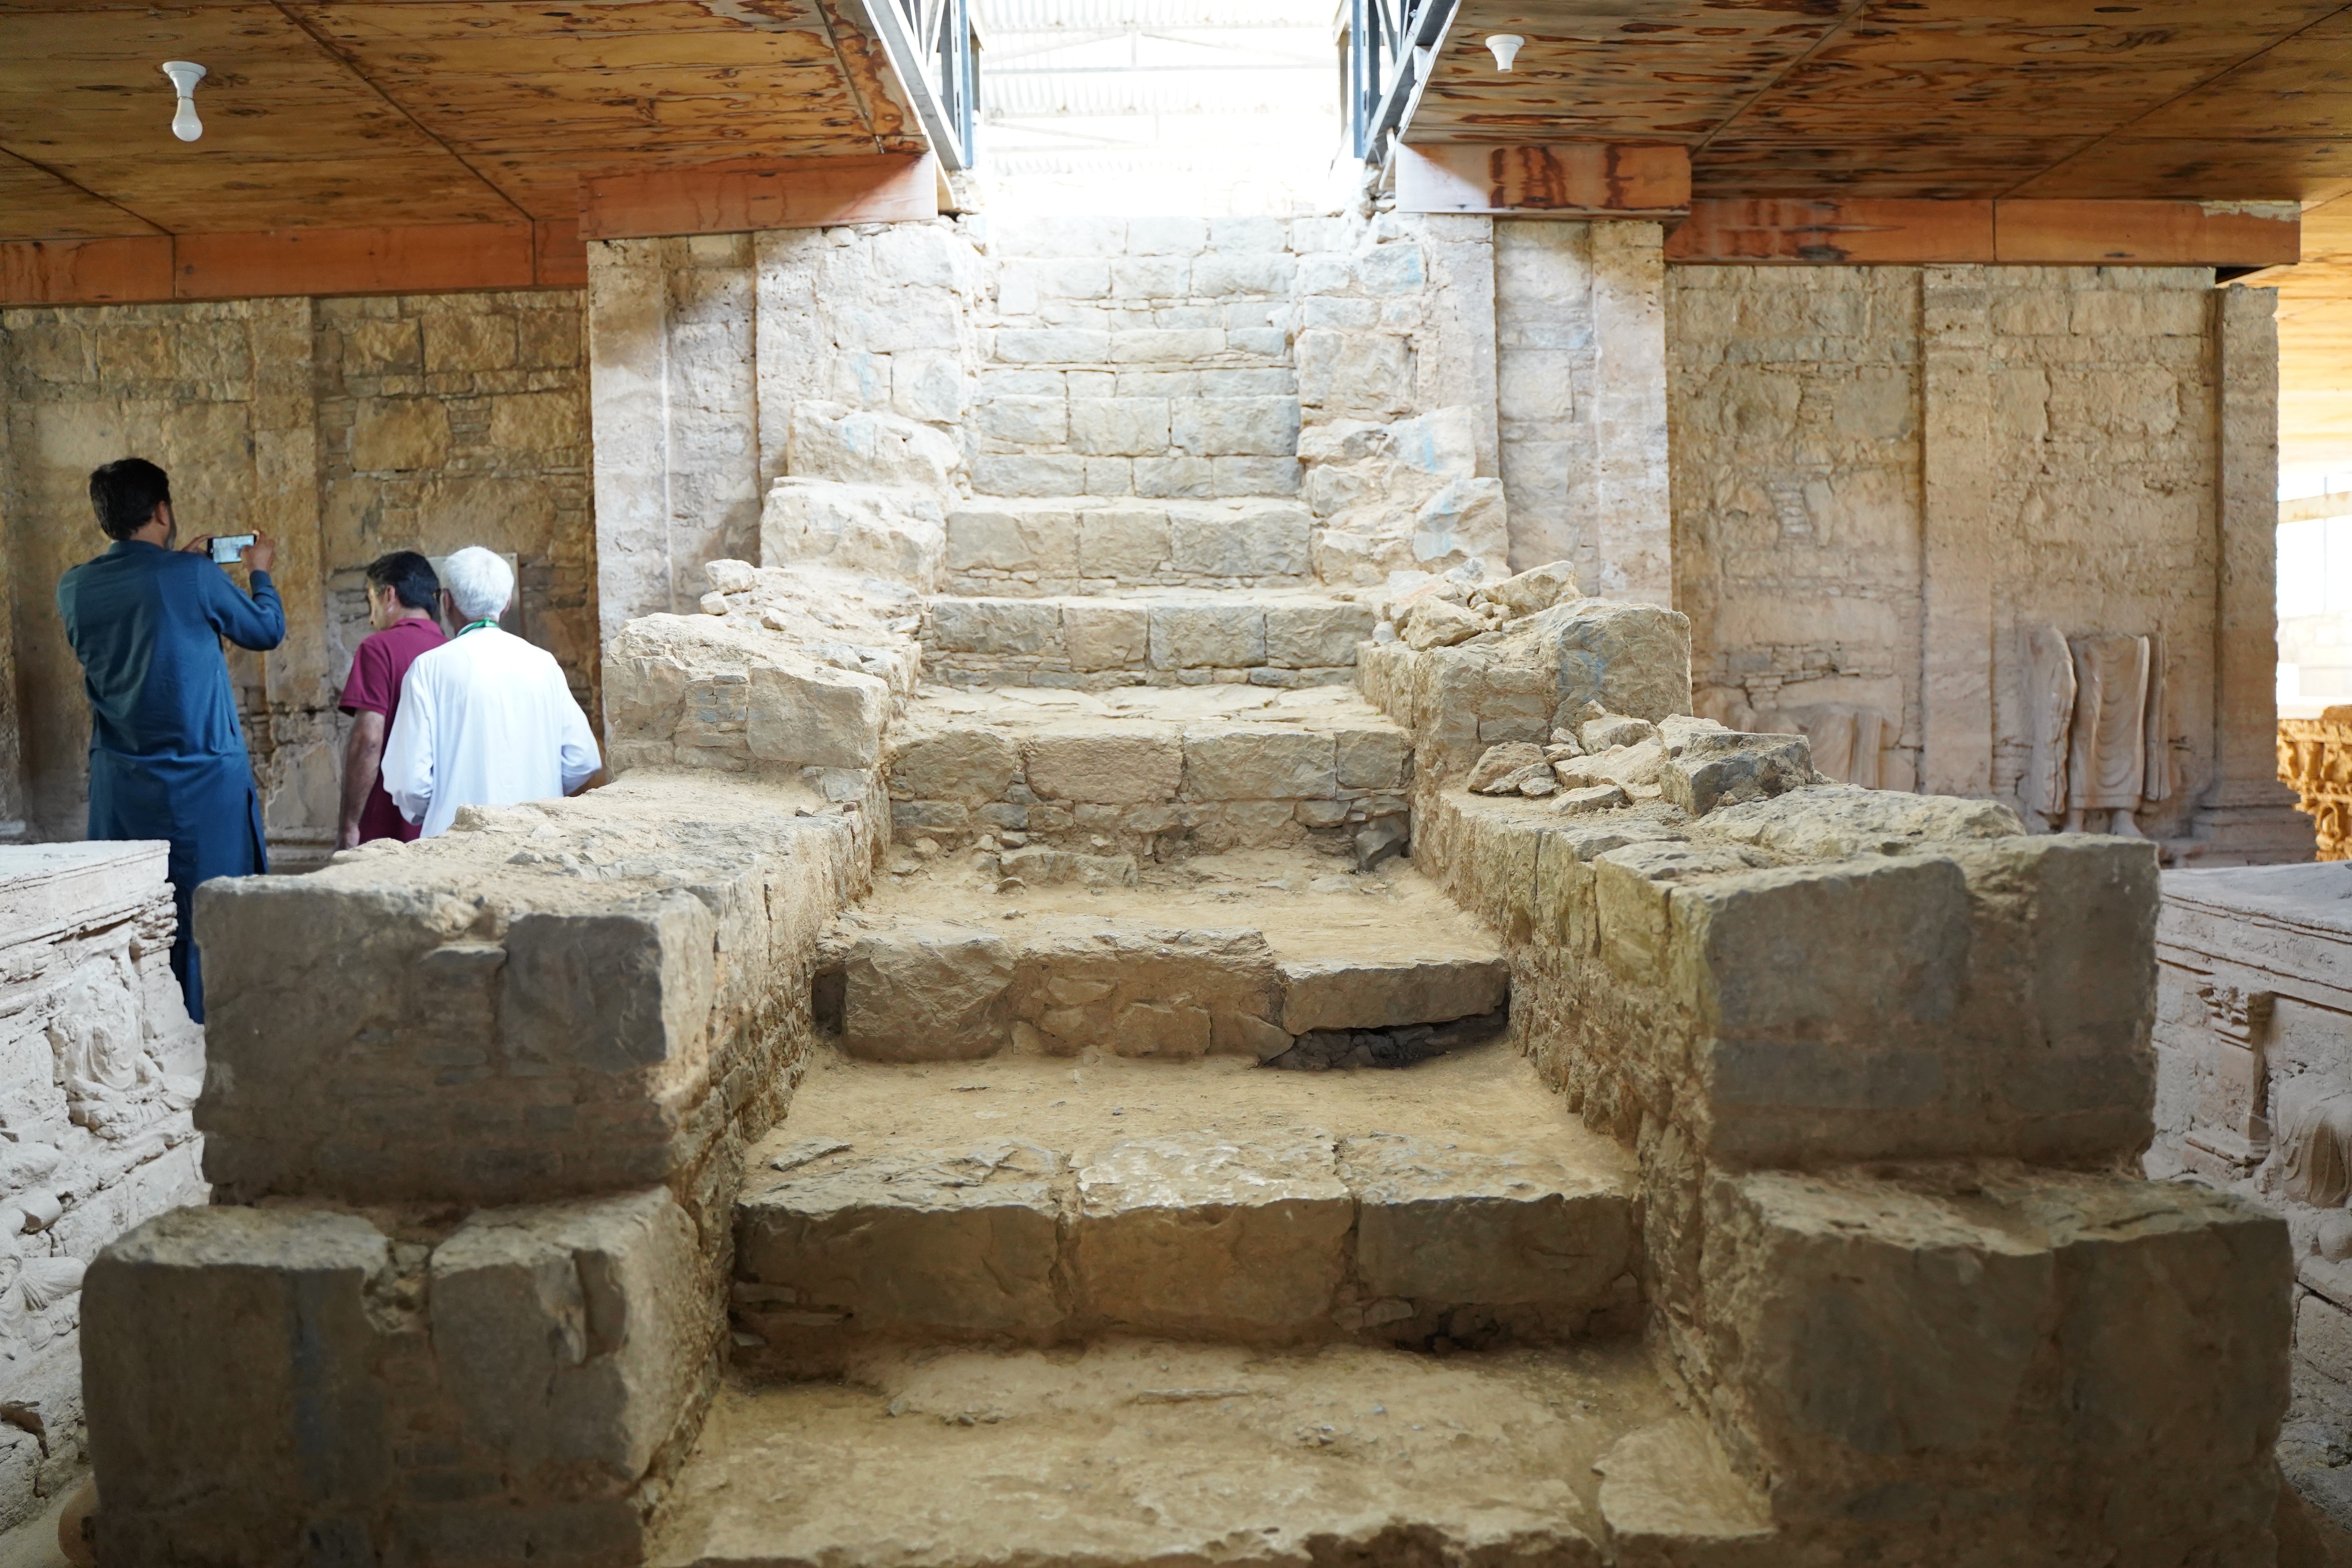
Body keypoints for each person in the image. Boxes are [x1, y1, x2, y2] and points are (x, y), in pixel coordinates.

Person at [56, 458, 283, 1022]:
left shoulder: (74, 587)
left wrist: (179, 572)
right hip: (202, 782)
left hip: (122, 784)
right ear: (162, 510)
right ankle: (213, 1037)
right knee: (210, 913)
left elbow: (140, 638)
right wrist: (260, 572)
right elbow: (265, 631)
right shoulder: (196, 577)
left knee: (133, 915)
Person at [381, 546, 599, 837]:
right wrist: (540, 789)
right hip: (536, 840)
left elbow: (411, 783)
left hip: (454, 842)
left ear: (446, 602)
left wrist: (437, 810)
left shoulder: (428, 668)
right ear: (506, 603)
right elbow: (583, 760)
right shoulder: (543, 663)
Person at [335, 551, 446, 850]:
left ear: (389, 595)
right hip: (444, 826)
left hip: (388, 825)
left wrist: (349, 827)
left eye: (371, 601)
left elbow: (369, 741)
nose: (372, 618)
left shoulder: (379, 649)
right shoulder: (454, 651)